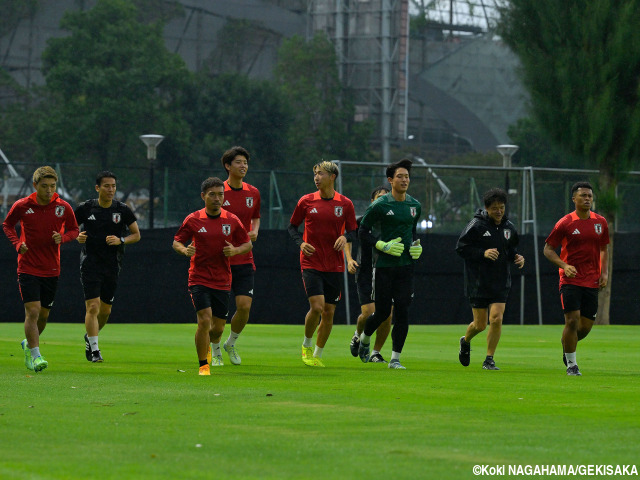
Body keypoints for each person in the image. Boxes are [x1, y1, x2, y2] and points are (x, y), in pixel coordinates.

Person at [173, 177, 252, 376]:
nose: (217, 198)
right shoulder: (193, 219)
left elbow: (247, 244)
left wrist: (235, 250)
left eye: (220, 194)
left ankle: (212, 345)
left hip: (222, 279)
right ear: (203, 196)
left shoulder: (232, 219)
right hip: (198, 278)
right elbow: (177, 242)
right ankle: (203, 365)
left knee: (217, 327)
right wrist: (184, 251)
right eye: (212, 195)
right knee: (204, 320)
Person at [2, 166, 79, 372]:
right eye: (44, 186)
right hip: (27, 266)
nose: (49, 190)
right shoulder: (22, 205)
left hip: (51, 268)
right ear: (35, 186)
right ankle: (36, 356)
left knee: (43, 316)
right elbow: (7, 225)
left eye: (53, 186)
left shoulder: (63, 207)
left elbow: (74, 230)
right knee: (33, 311)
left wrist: (62, 238)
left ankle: (28, 344)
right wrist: (18, 244)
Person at [288, 161, 357, 367]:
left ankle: (317, 354)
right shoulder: (306, 201)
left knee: (329, 312)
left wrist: (345, 237)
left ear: (332, 176)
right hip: (311, 261)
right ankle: (307, 345)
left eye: (320, 174)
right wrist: (301, 243)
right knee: (316, 307)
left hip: (334, 265)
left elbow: (354, 231)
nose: (316, 177)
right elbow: (292, 227)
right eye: (315, 174)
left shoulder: (345, 204)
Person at [357, 159, 422, 369]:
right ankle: (365, 338)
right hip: (384, 267)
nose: (404, 180)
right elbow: (362, 232)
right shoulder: (380, 205)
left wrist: (416, 246)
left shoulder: (415, 206)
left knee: (402, 311)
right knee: (383, 312)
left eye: (407, 176)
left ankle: (395, 358)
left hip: (406, 267)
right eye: (400, 176)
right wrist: (381, 245)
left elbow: (412, 231)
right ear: (390, 180)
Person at [543, 181, 609, 376]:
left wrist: (604, 273)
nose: (587, 199)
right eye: (583, 196)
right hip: (570, 280)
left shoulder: (600, 222)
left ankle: (567, 344)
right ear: (574, 199)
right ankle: (572, 364)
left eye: (589, 196)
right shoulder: (565, 223)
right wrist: (564, 266)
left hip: (592, 280)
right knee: (572, 321)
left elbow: (604, 248)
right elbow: (548, 249)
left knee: (585, 326)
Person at [74, 171, 141, 363]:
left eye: (113, 186)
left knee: (105, 311)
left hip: (112, 265)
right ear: (97, 188)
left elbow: (136, 235)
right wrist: (77, 236)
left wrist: (121, 240)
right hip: (90, 263)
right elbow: (68, 229)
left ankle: (89, 337)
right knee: (92, 307)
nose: (111, 189)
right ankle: (95, 350)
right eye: (106, 186)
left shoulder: (122, 210)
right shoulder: (86, 208)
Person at [456, 188, 525, 370]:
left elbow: (510, 251)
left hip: (500, 281)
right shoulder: (476, 225)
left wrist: (517, 257)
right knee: (480, 325)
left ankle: (489, 359)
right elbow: (461, 248)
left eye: (501, 207)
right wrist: (483, 252)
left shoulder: (509, 227)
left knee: (496, 319)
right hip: (478, 282)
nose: (499, 211)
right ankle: (466, 340)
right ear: (486, 208)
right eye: (495, 208)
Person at [218, 146, 261, 365]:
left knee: (244, 306)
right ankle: (214, 350)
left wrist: (255, 230)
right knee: (217, 313)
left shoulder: (253, 192)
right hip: (220, 260)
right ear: (227, 166)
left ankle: (231, 343)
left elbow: (255, 217)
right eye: (238, 162)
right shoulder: (218, 192)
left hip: (244, 258)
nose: (243, 166)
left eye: (245, 162)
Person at [346, 186, 392, 363]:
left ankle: (375, 352)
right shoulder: (362, 220)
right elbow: (347, 238)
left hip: (388, 270)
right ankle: (359, 335)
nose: (382, 200)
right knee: (368, 313)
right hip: (365, 270)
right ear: (372, 202)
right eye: (379, 197)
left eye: (385, 197)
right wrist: (349, 259)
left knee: (387, 315)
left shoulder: (393, 222)